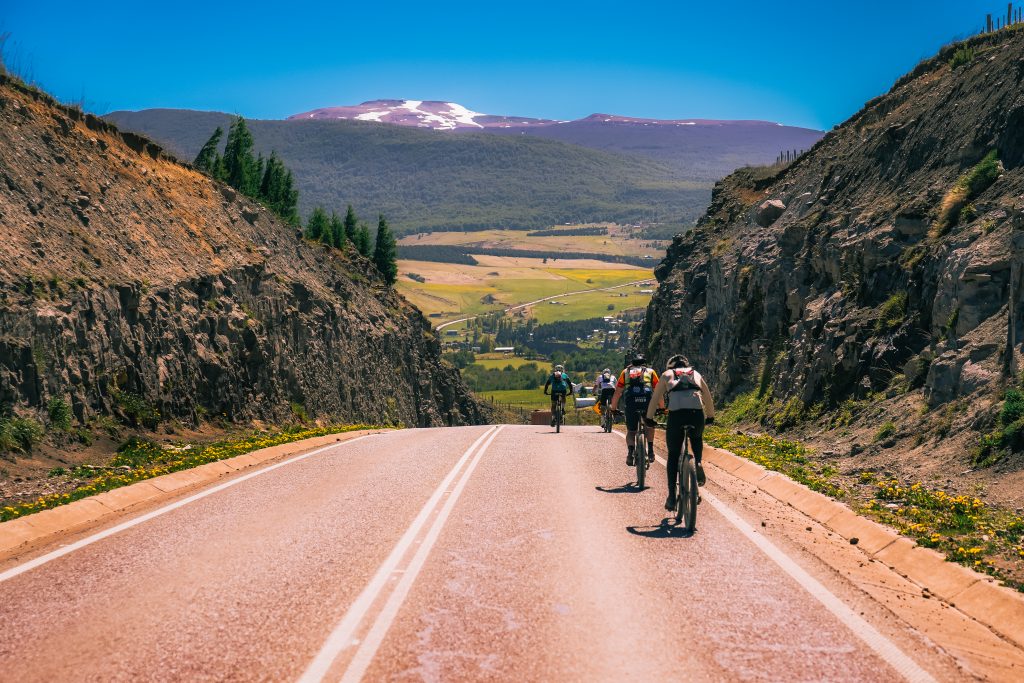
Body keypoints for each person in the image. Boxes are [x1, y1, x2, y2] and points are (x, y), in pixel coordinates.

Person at [646, 354, 715, 511]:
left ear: (671, 367)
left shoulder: (666, 375)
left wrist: (649, 418)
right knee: (696, 438)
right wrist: (710, 416)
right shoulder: (695, 373)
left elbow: (655, 398)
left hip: (676, 416)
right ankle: (697, 462)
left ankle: (671, 496)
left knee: (673, 455)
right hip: (696, 414)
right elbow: (707, 395)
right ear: (686, 365)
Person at [610, 353, 659, 466]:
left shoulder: (625, 372)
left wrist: (613, 408)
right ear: (644, 364)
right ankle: (650, 450)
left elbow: (617, 393)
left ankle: (630, 453)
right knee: (649, 425)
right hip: (647, 402)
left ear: (632, 363)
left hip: (631, 403)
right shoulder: (650, 372)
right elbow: (658, 392)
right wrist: (662, 407)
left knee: (631, 431)